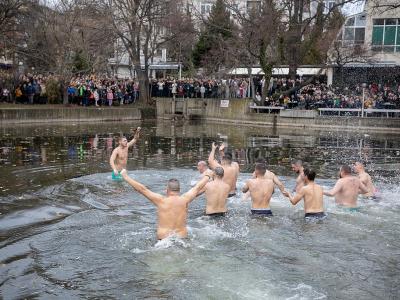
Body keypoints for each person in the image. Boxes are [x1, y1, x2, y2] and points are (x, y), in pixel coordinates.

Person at [120, 168, 213, 240]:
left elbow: (142, 189)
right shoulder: (185, 199)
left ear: (167, 190)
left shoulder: (161, 201)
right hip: (182, 239)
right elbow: (197, 187)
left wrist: (125, 176)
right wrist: (208, 176)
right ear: (179, 190)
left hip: (164, 241)